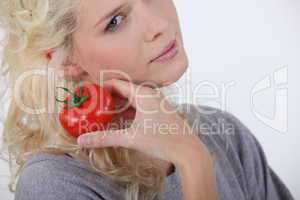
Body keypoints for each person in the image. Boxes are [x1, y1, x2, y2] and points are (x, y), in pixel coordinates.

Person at [0, 0, 294, 200]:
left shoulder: (224, 133)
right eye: (115, 21)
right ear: (65, 60)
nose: (159, 25)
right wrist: (194, 162)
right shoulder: (54, 183)